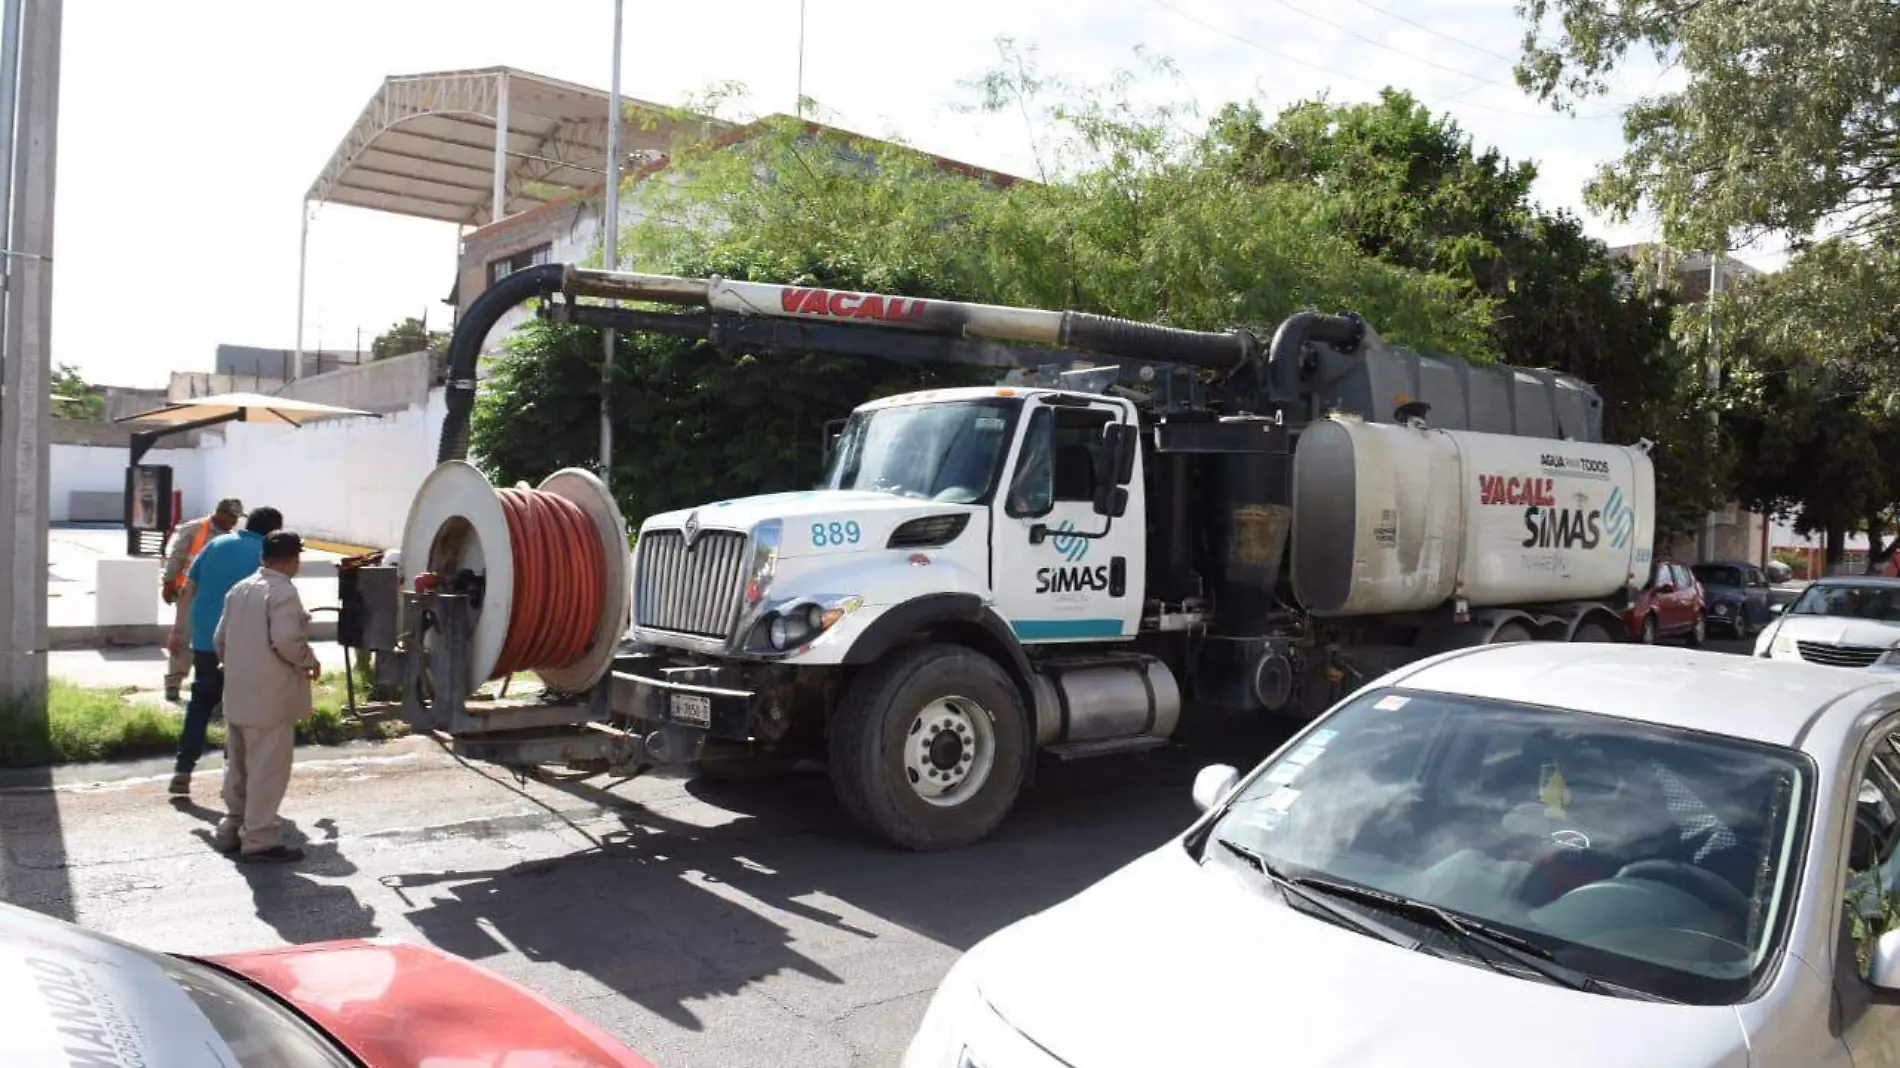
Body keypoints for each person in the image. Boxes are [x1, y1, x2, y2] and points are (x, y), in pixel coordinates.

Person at [212, 530, 317, 863]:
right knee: (267, 769)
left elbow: (220, 640)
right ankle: (259, 838)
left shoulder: (239, 589)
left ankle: (232, 828)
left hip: (238, 693)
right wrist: (308, 661)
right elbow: (287, 640)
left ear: (263, 558)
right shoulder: (282, 592)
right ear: (293, 560)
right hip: (270, 697)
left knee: (238, 766)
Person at [170, 506, 282, 796]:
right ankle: (232, 779)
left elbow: (188, 590)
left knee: (200, 704)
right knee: (241, 711)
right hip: (246, 646)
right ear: (273, 532)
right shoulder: (268, 557)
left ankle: (183, 770)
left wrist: (177, 631)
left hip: (206, 641)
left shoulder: (216, 544)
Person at [160, 498, 243, 702]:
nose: (234, 523)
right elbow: (177, 556)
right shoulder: (195, 528)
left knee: (213, 639)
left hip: (215, 595)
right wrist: (168, 581)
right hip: (190, 593)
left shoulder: (231, 537)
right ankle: (174, 683)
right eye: (232, 518)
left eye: (236, 519)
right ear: (220, 513)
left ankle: (210, 684)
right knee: (182, 636)